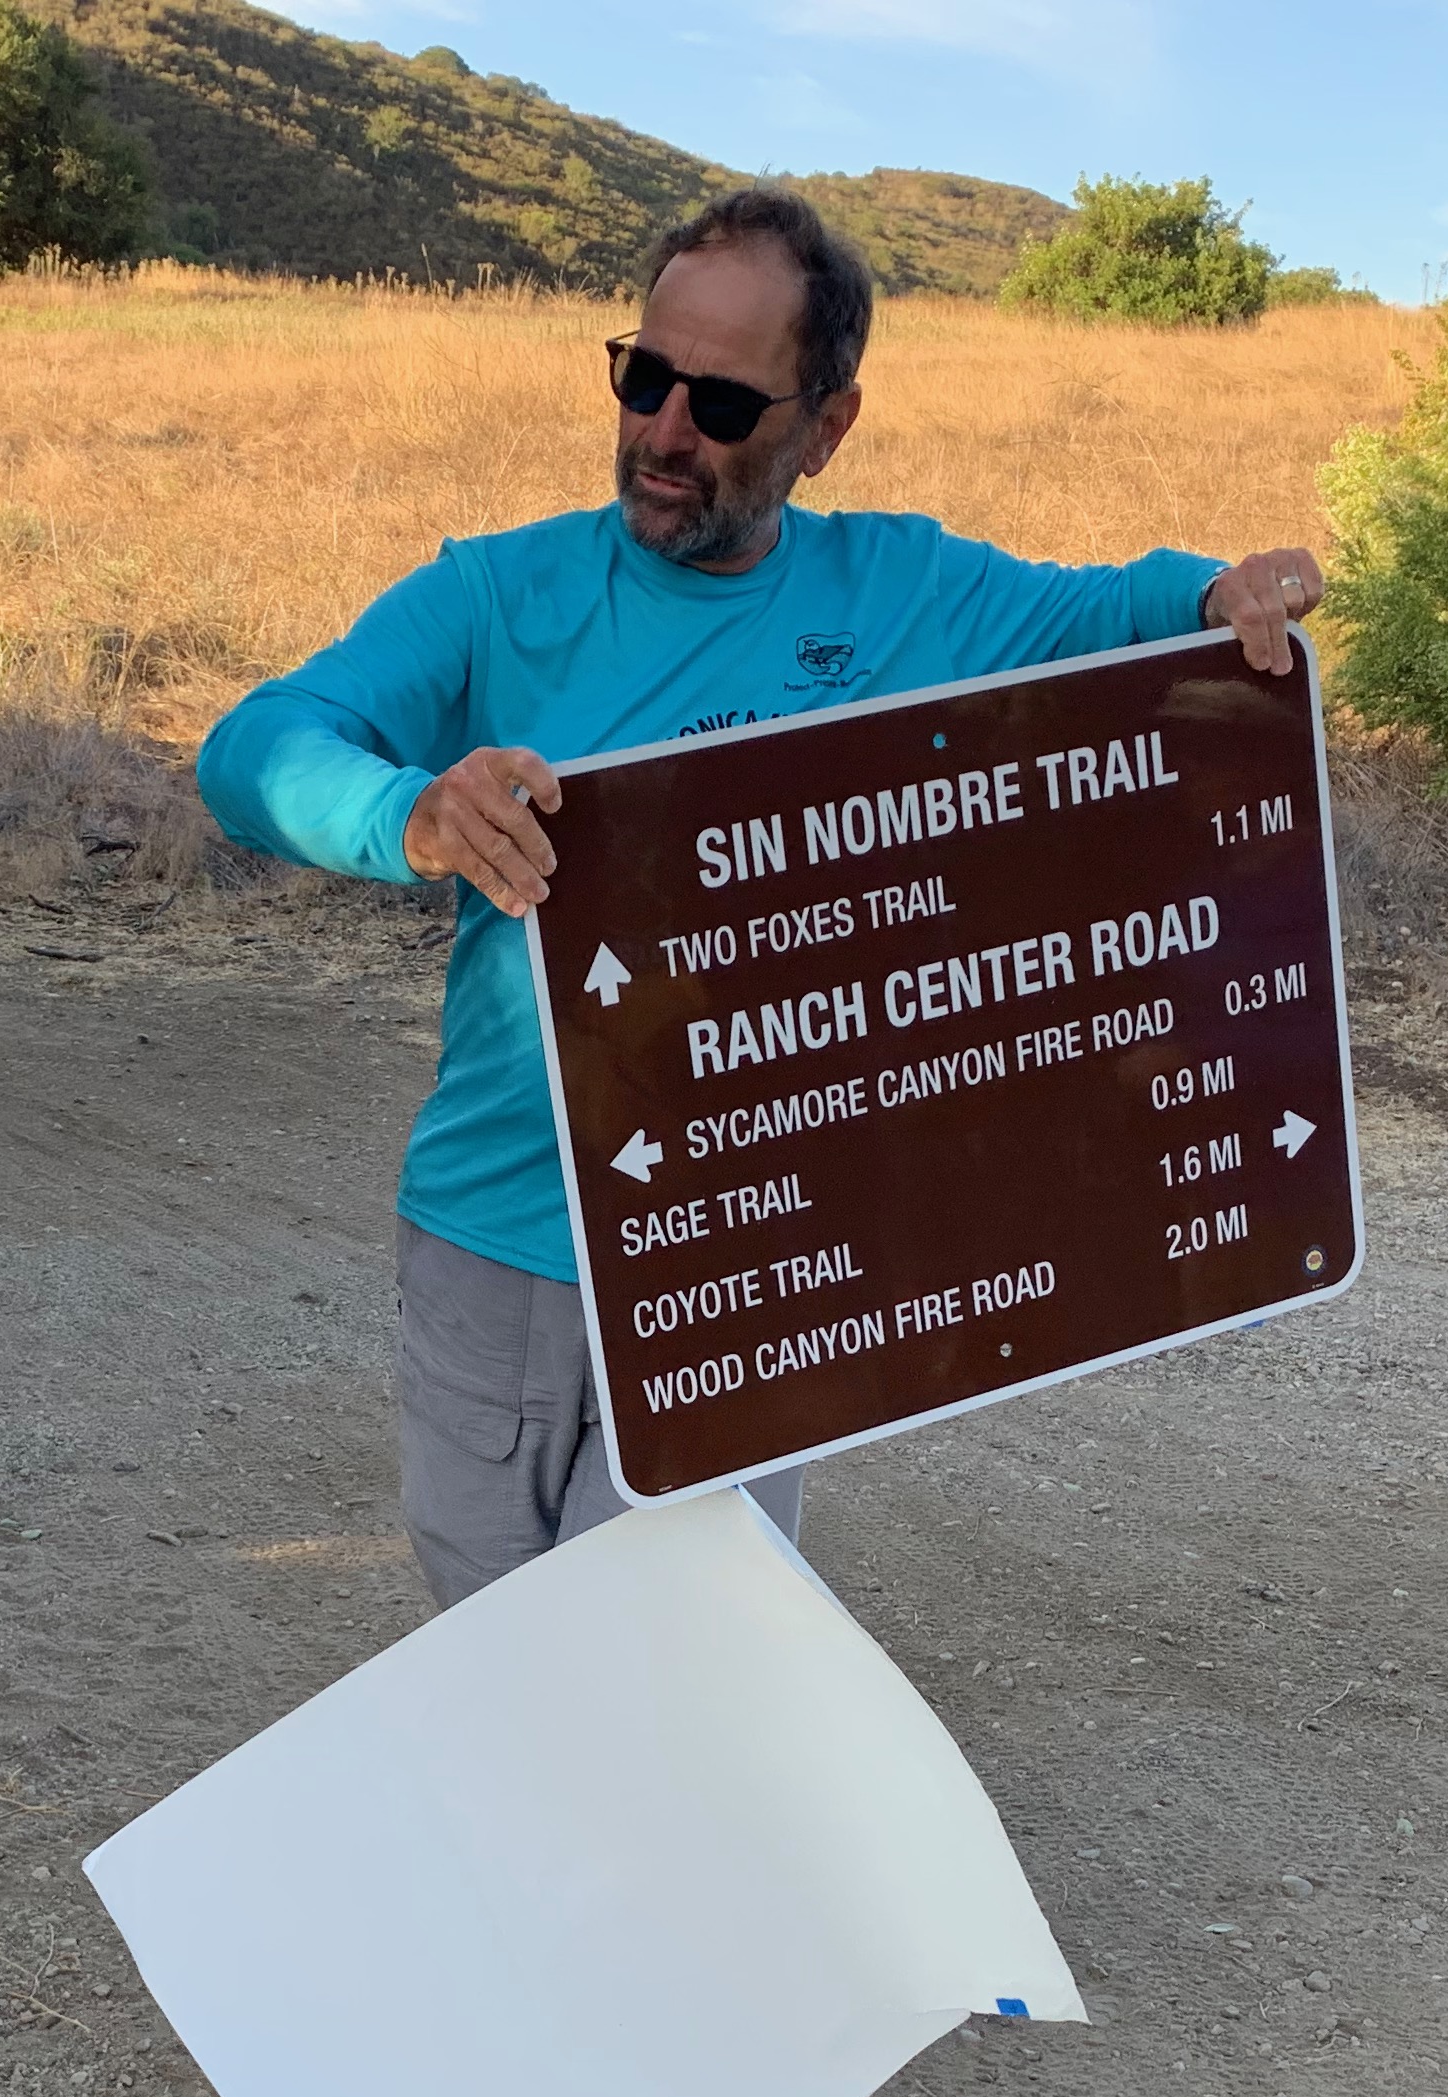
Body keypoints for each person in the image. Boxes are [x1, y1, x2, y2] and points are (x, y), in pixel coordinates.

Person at [196, 185, 1327, 1605]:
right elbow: (252, 748)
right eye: (644, 378)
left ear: (826, 426)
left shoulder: (901, 589)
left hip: (765, 1257)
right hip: (497, 1236)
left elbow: (1107, 614)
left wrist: (1224, 596)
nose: (666, 434)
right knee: (489, 1684)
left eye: (722, 406)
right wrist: (408, 813)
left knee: (673, 1678)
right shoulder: (496, 594)